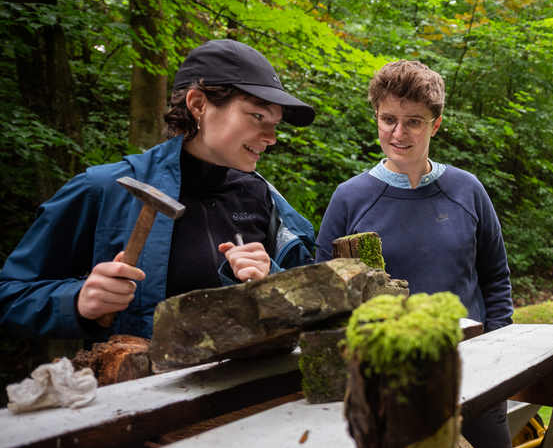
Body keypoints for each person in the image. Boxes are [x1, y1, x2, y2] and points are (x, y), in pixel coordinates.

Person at [0, 39, 316, 341]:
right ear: (198, 104)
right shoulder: (104, 190)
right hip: (141, 393)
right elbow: (10, 294)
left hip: (251, 392)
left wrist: (270, 279)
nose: (271, 137)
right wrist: (78, 301)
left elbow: (313, 305)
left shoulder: (265, 200)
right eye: (258, 116)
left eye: (275, 124)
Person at [315, 60, 516, 448]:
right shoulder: (350, 199)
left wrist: (497, 350)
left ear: (436, 125)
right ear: (376, 118)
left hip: (473, 371)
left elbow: (496, 277)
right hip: (390, 383)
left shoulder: (467, 190)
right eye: (388, 119)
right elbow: (325, 297)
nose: (398, 133)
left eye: (414, 122)